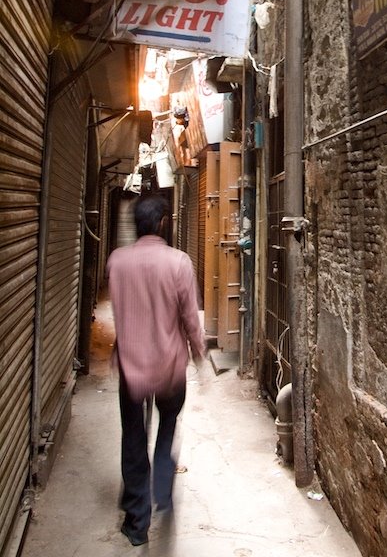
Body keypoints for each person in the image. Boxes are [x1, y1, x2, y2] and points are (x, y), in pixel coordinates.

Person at [106, 193, 206, 546]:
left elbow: (119, 311)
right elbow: (190, 319)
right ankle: (162, 486)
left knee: (133, 438)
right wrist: (199, 353)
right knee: (167, 426)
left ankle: (137, 522)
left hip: (132, 367)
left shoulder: (117, 262)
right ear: (164, 223)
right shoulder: (179, 262)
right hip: (169, 368)